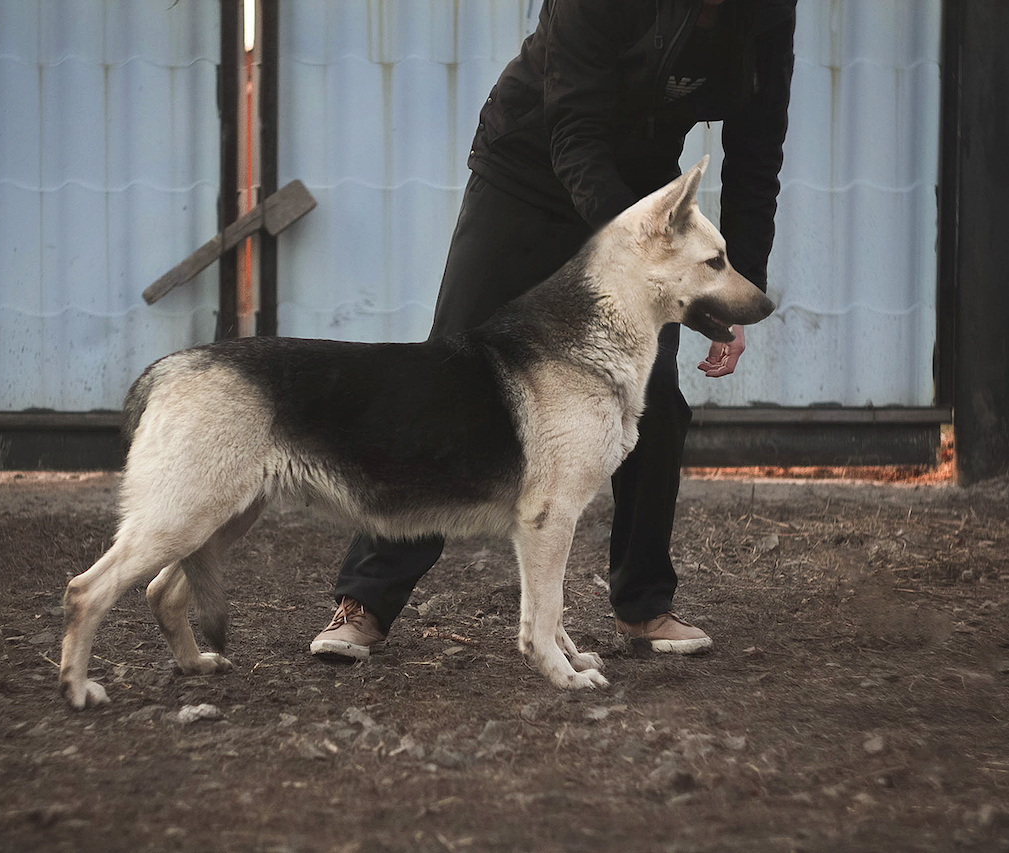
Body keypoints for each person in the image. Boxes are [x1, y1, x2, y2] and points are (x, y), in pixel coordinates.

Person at [311, 0, 796, 661]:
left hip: (644, 194)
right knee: (447, 382)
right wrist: (632, 255)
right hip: (528, 171)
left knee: (652, 399)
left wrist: (735, 289)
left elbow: (757, 151)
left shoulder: (767, 11)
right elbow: (575, 133)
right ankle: (367, 597)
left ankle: (644, 604)